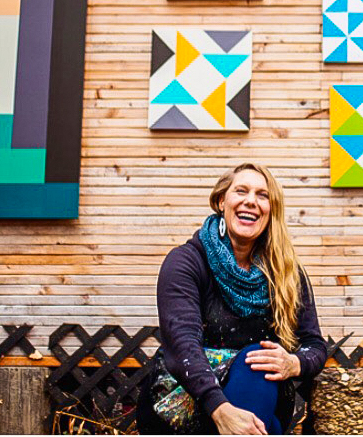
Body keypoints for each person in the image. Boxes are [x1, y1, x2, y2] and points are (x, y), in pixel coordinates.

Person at [137, 163, 327, 435]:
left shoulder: (286, 272)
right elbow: (182, 347)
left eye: (263, 195)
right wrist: (221, 409)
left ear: (271, 209)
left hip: (258, 400)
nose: (251, 201)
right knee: (267, 423)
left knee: (257, 362)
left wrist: (294, 363)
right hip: (186, 405)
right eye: (241, 191)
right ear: (221, 200)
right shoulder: (185, 262)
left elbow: (314, 345)